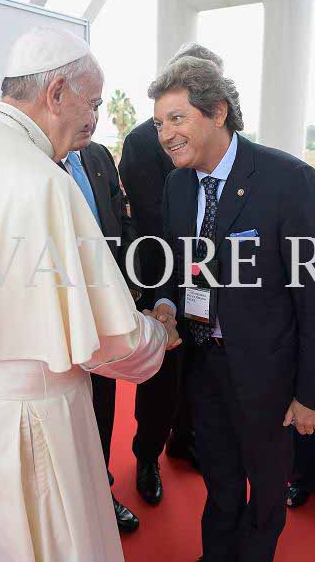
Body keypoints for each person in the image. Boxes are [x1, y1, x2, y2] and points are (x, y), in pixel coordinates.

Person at [0, 27, 181, 562]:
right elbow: (109, 340)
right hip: (24, 420)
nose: (94, 121)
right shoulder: (43, 181)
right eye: (93, 104)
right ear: (56, 92)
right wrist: (158, 334)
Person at [150, 55, 315, 561]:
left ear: (218, 111)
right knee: (220, 483)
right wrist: (165, 304)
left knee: (266, 492)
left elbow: (311, 300)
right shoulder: (177, 185)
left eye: (177, 118)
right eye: (159, 124)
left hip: (269, 376)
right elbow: (177, 267)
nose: (165, 135)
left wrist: (309, 394)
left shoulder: (289, 180)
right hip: (203, 365)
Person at [119, 43, 223, 503]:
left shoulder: (218, 136)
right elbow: (151, 225)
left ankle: (185, 439)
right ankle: (147, 456)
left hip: (209, 279)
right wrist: (168, 290)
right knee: (161, 376)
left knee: (198, 369)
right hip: (162, 275)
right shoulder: (142, 142)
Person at [59, 111, 142, 532]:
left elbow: (121, 220)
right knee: (64, 414)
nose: (92, 117)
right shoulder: (33, 164)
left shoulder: (98, 156)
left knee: (102, 405)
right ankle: (68, 509)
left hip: (104, 313)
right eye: (87, 103)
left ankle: (101, 491)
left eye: (99, 105)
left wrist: (129, 284)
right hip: (58, 317)